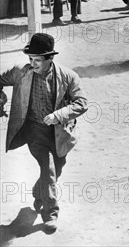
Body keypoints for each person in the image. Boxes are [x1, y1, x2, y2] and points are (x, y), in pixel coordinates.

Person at [0, 33, 88, 234]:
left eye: (37, 60)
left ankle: (38, 192)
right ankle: (51, 214)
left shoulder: (68, 76)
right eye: (30, 59)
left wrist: (59, 115)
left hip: (60, 132)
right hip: (33, 130)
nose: (33, 63)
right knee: (47, 168)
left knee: (57, 167)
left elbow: (81, 103)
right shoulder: (20, 73)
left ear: (50, 58)